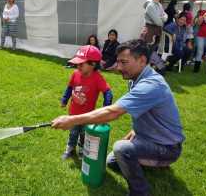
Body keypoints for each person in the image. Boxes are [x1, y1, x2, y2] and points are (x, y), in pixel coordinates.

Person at [52, 39, 185, 196]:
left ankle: (140, 191)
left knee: (122, 149)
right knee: (112, 161)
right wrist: (130, 137)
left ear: (142, 60)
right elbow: (142, 117)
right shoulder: (136, 79)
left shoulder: (151, 85)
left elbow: (113, 112)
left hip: (167, 147)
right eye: (118, 62)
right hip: (147, 139)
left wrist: (71, 120)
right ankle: (152, 163)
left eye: (124, 62)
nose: (119, 67)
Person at [60, 45, 113, 160]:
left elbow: (108, 92)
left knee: (84, 134)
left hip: (88, 116)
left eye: (81, 64)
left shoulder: (98, 78)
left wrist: (106, 108)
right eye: (77, 63)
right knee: (73, 132)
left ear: (93, 64)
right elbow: (69, 88)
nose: (77, 66)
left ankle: (82, 150)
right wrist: (64, 99)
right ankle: (70, 147)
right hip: (73, 113)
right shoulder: (75, 74)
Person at [193, 3, 206, 75]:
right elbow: (198, 23)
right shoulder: (203, 12)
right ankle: (196, 69)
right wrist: (204, 16)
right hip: (201, 35)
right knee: (199, 51)